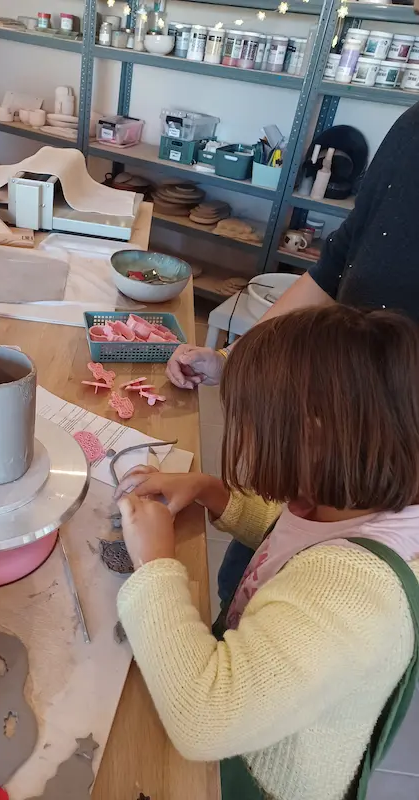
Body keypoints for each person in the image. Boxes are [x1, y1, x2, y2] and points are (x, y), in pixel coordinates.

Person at [115, 305, 419, 800]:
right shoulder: (346, 504)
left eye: (249, 424)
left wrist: (155, 564)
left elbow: (204, 717)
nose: (242, 437)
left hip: (257, 776)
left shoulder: (359, 592)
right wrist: (213, 492)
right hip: (255, 703)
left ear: (315, 437)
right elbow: (294, 542)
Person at [166, 100, 419, 392]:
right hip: (347, 390)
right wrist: (231, 357)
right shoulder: (410, 128)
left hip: (395, 411)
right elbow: (332, 271)